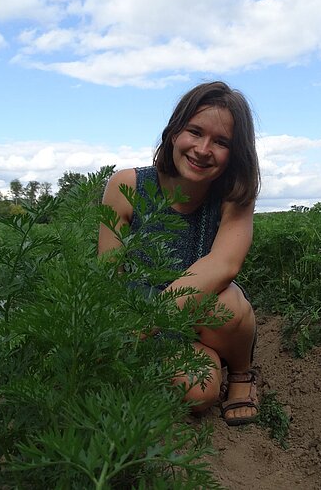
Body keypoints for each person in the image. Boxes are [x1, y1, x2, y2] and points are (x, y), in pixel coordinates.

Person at [98, 81, 260, 426]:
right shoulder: (126, 186)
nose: (203, 149)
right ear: (174, 133)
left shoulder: (234, 195)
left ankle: (242, 374)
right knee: (197, 392)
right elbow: (108, 277)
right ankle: (189, 362)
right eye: (195, 132)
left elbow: (223, 264)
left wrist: (149, 322)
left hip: (191, 319)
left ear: (235, 152)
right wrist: (124, 332)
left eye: (221, 142)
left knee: (227, 304)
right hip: (136, 319)